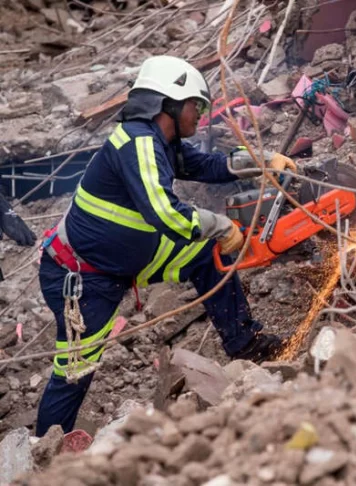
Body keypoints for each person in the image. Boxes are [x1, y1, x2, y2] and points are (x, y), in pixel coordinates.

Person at [36, 56, 286, 436]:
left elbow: (207, 166)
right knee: (75, 374)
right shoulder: (137, 143)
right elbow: (165, 215)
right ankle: (43, 451)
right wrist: (218, 225)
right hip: (83, 278)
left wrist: (263, 162)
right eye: (195, 106)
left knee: (205, 257)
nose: (200, 116)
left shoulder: (160, 142)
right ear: (169, 103)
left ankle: (244, 343)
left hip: (123, 264)